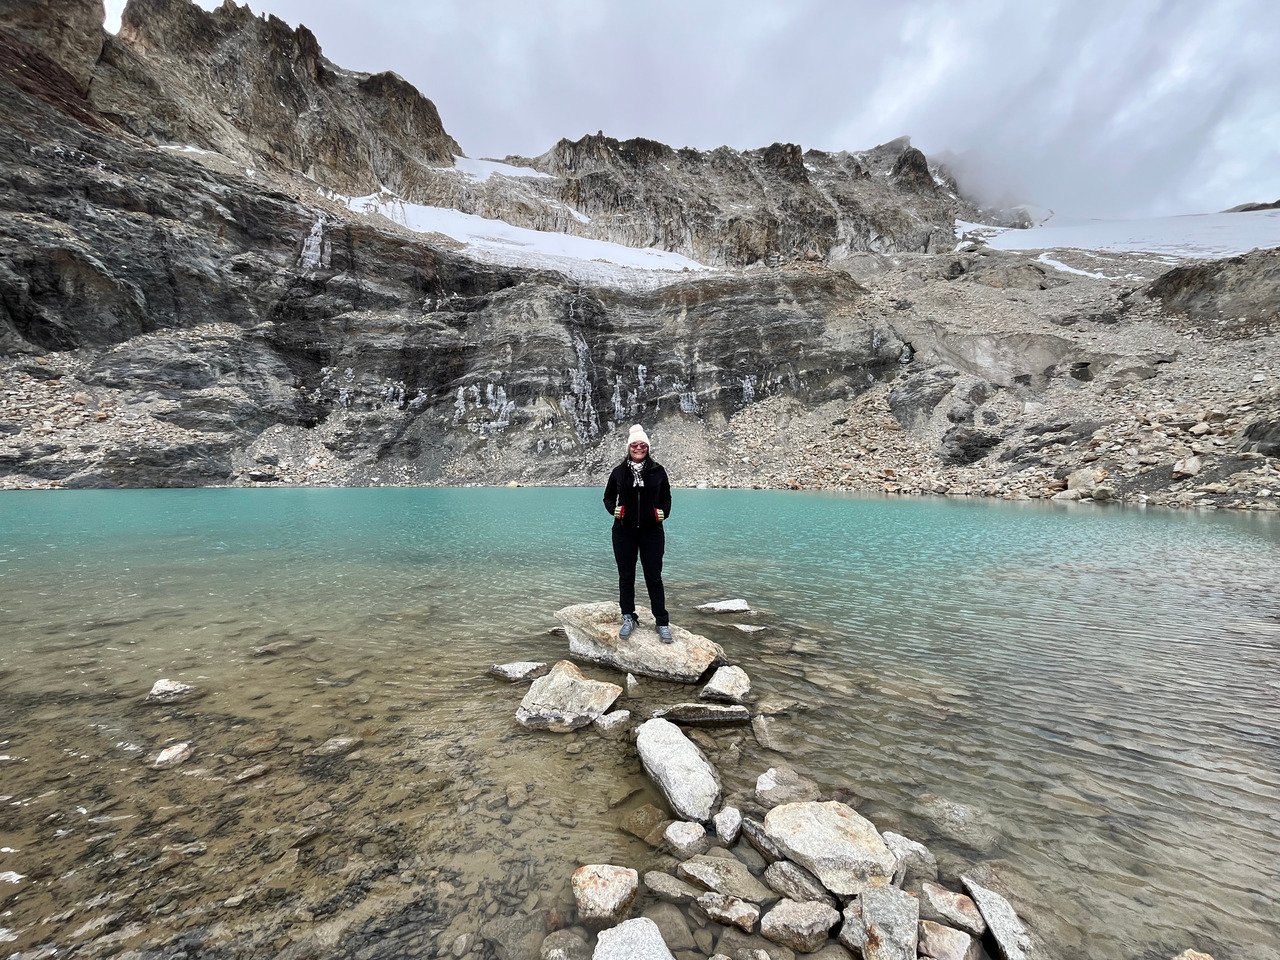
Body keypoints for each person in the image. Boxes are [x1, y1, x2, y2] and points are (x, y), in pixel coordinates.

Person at [603, 424, 673, 642]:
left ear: (648, 447)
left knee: (654, 576)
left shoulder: (658, 471)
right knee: (626, 575)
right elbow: (608, 497)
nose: (639, 448)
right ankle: (628, 616)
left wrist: (664, 513)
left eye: (643, 445)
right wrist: (613, 510)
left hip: (652, 532)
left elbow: (666, 498)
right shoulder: (619, 472)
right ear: (629, 447)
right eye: (634, 445)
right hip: (623, 532)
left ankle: (661, 621)